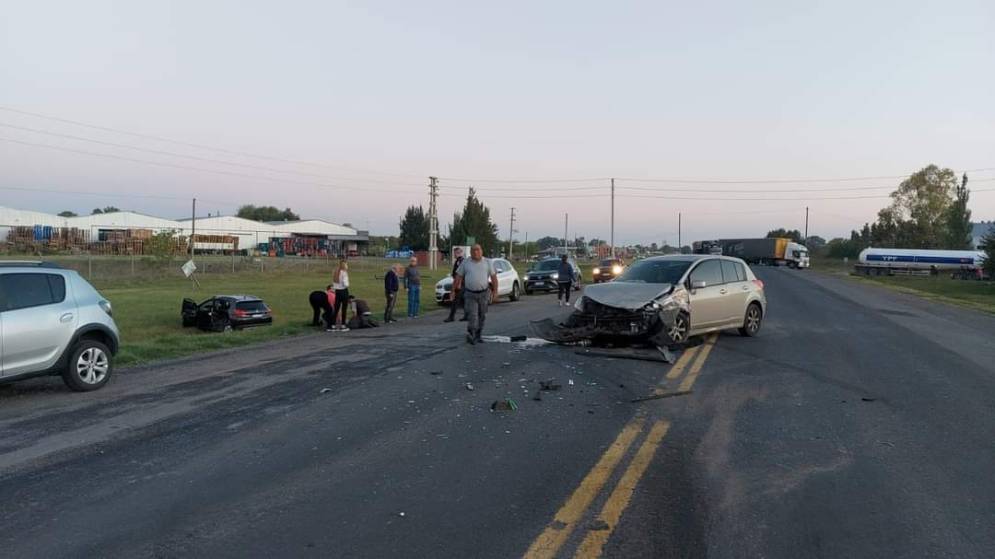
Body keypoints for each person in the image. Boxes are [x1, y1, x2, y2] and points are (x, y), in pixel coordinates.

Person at [454, 244, 498, 345]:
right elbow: (458, 276)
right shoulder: (466, 262)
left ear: (481, 251)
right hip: (470, 294)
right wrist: (453, 290)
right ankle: (471, 333)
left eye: (478, 250)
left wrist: (495, 292)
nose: (475, 252)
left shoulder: (488, 262)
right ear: (470, 252)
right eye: (473, 250)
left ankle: (478, 334)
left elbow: (494, 278)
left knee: (482, 315)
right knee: (472, 315)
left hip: (484, 293)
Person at [444, 247, 467, 323]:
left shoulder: (460, 261)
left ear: (458, 253)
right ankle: (467, 315)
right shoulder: (460, 261)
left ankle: (451, 317)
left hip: (460, 283)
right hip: (462, 283)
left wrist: (459, 284)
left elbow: (460, 273)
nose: (454, 254)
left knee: (455, 301)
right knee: (463, 300)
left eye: (455, 253)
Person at [331, 259, 350, 331]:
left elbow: (333, 283)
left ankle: (333, 325)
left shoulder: (336, 272)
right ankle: (343, 325)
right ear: (344, 265)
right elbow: (346, 284)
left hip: (337, 291)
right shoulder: (344, 273)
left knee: (336, 308)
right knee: (344, 309)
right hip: (344, 291)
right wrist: (348, 285)